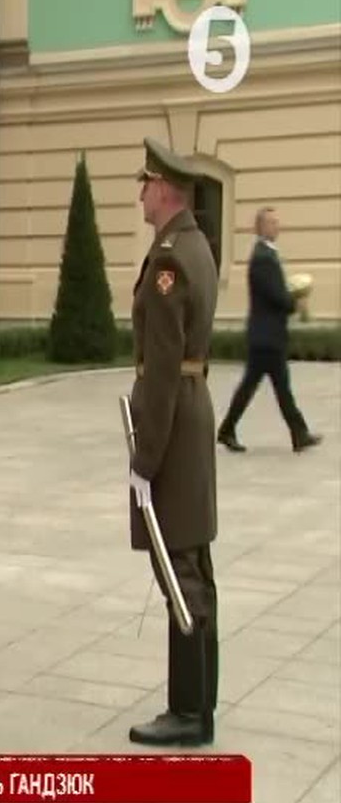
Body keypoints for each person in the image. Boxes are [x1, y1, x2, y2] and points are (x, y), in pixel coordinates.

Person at [127, 138, 219, 746]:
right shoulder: (195, 246)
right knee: (195, 563)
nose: (140, 194)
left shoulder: (169, 261)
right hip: (194, 408)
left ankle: (188, 713)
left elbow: (160, 370)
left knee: (179, 568)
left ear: (163, 189)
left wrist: (144, 459)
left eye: (145, 183)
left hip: (174, 421)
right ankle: (199, 701)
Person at [217, 207, 322, 453]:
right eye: (272, 222)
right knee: (274, 388)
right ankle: (298, 434)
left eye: (277, 222)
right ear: (261, 227)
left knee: (261, 386)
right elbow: (276, 296)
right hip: (266, 336)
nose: (277, 226)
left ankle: (229, 429)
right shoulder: (263, 258)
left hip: (266, 335)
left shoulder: (267, 254)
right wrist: (295, 300)